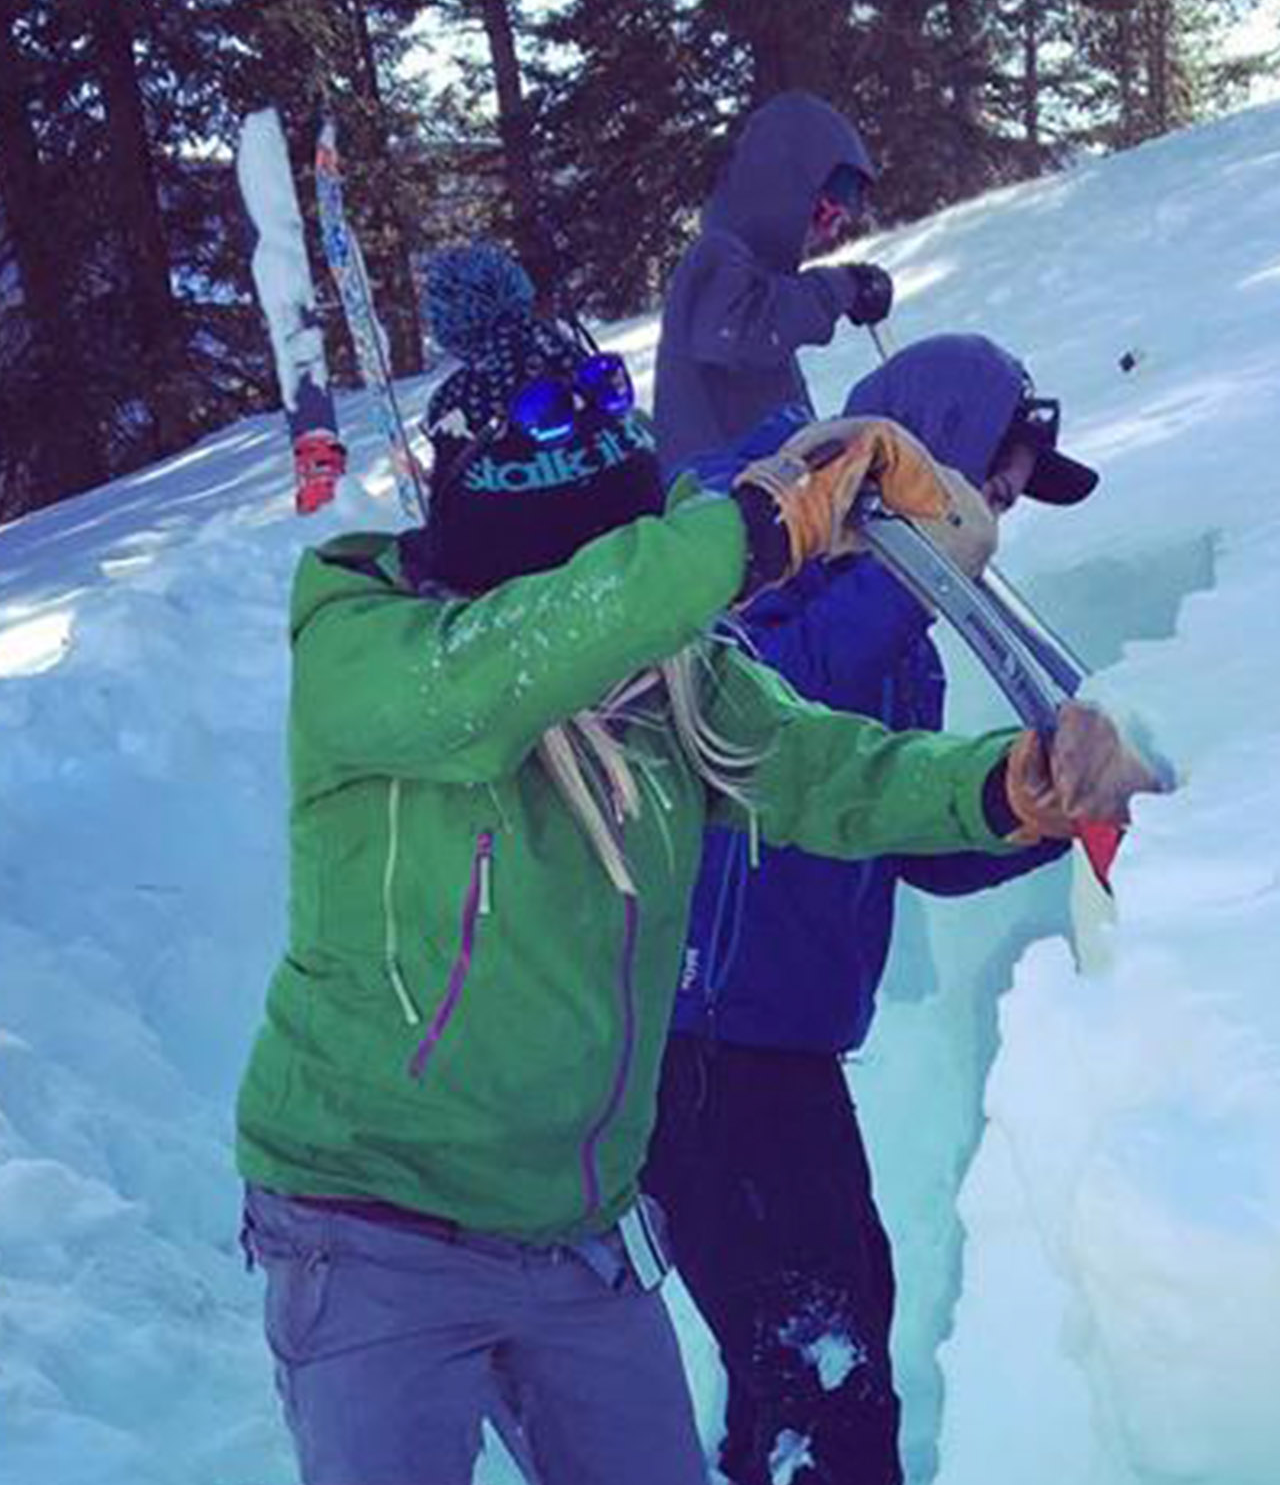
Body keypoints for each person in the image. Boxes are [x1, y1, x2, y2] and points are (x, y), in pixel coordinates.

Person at [231, 249, 1160, 1485]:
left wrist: (1003, 788)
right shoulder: (373, 652)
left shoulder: (669, 675)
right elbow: (529, 653)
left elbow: (822, 767)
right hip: (369, 1233)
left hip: (571, 1236)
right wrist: (760, 527)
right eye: (595, 564)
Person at [644, 333, 1105, 1485]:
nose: (995, 520)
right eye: (988, 488)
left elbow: (892, 818)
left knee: (826, 1348)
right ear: (926, 455)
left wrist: (1031, 814)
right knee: (821, 1367)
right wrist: (909, 580)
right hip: (697, 1036)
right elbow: (761, 711)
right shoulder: (745, 516)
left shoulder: (904, 615)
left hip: (784, 1042)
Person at [653, 91, 895, 472]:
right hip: (712, 498)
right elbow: (733, 336)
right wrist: (841, 287)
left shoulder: (761, 276)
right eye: (824, 212)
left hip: (764, 488)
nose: (828, 233)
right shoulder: (717, 253)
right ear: (783, 191)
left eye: (839, 221)